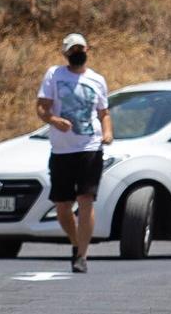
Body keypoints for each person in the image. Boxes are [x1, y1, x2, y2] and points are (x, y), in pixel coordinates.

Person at [35, 32, 113, 273]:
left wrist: (108, 133)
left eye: (80, 49)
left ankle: (82, 255)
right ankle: (75, 241)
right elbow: (41, 108)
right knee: (62, 206)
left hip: (89, 147)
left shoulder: (97, 80)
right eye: (72, 50)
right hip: (62, 150)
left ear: (87, 50)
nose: (77, 53)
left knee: (86, 199)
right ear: (65, 54)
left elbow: (104, 112)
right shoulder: (54, 75)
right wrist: (55, 120)